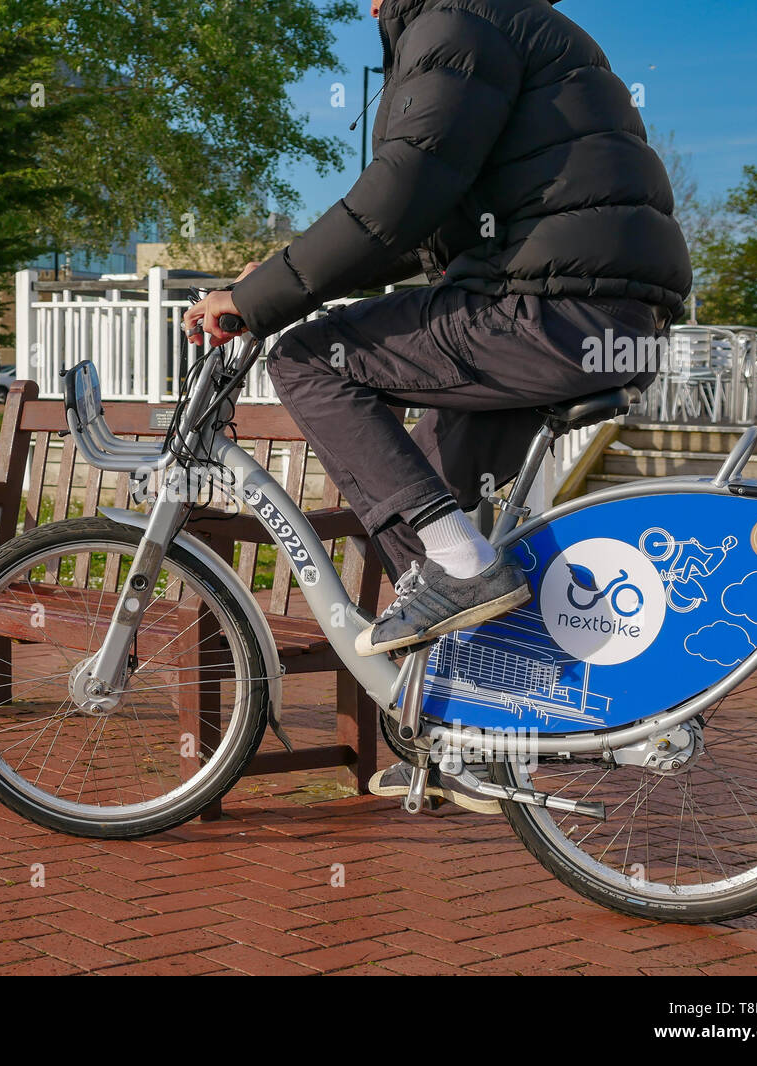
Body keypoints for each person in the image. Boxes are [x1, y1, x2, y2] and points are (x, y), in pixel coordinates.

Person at [184, 0, 691, 803]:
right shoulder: (488, 21)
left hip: (550, 309)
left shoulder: (456, 22)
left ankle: (468, 581)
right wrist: (265, 282)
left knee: (314, 358)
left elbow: (398, 196)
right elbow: (420, 229)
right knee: (442, 507)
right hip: (594, 309)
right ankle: (491, 732)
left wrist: (264, 303)